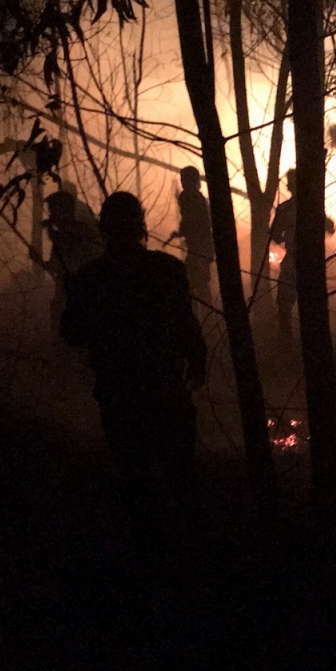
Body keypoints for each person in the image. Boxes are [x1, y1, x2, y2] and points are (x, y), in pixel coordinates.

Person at [61, 192, 208, 549]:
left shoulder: (92, 278)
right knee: (180, 478)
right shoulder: (168, 269)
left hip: (121, 397)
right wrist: (197, 360)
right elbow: (187, 326)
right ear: (140, 226)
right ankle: (192, 552)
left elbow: (72, 334)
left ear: (105, 229)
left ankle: (150, 553)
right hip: (165, 390)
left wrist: (74, 297)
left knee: (136, 481)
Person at [269, 169, 335, 342]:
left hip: (295, 261)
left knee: (284, 305)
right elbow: (329, 229)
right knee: (310, 306)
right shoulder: (313, 206)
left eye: (290, 182)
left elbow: (274, 235)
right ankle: (310, 343)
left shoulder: (286, 208)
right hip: (311, 263)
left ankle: (287, 342)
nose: (288, 185)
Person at [32, 189, 103, 331]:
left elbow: (71, 266)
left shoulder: (81, 234)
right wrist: (38, 260)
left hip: (80, 303)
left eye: (53, 211)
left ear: (65, 210)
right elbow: (55, 267)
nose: (51, 216)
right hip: (65, 301)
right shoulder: (62, 236)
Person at [171, 166, 215, 303]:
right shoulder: (198, 198)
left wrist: (181, 232)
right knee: (198, 285)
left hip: (200, 249)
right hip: (201, 248)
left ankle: (206, 318)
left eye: (184, 179)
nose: (182, 182)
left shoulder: (189, 198)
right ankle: (207, 317)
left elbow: (193, 222)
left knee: (196, 285)